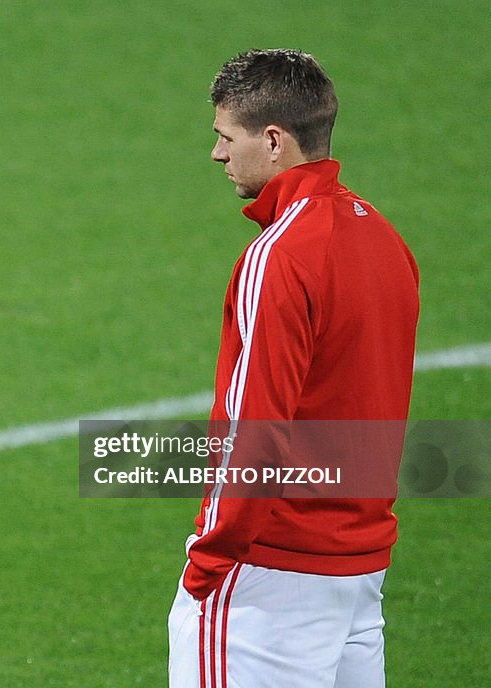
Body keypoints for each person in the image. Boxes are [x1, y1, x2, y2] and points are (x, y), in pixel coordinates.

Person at [167, 50, 419, 687]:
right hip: (360, 572)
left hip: (269, 581)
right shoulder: (383, 240)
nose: (218, 155)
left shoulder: (279, 256)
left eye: (227, 137)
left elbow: (256, 427)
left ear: (273, 140)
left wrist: (208, 562)